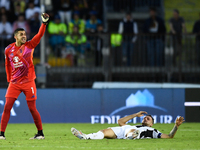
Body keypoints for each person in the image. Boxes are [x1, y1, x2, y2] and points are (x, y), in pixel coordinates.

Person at [0, 13, 49, 140]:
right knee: (7, 107)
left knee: (32, 108)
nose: (24, 36)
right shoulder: (8, 49)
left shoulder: (29, 46)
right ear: (15, 36)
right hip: (14, 83)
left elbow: (39, 35)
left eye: (25, 34)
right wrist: (9, 79)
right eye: (21, 34)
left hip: (28, 82)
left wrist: (44, 24)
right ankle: (1, 134)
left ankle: (40, 133)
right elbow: (7, 65)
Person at [71, 111, 184, 140]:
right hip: (123, 130)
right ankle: (86, 136)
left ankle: (132, 136)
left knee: (135, 131)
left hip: (133, 132)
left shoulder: (153, 130)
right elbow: (120, 121)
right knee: (104, 131)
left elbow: (169, 136)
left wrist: (176, 126)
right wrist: (135, 114)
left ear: (151, 123)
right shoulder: (135, 125)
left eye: (148, 118)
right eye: (144, 117)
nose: (145, 118)